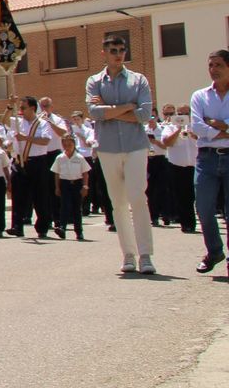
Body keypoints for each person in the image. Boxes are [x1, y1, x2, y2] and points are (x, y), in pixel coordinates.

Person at [86, 33, 157, 274]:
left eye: (121, 50)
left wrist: (111, 110)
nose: (118, 54)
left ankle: (145, 255)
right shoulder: (95, 82)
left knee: (138, 197)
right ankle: (128, 254)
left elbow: (145, 115)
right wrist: (128, 106)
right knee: (118, 203)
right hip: (108, 147)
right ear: (104, 53)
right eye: (113, 50)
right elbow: (94, 113)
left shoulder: (139, 80)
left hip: (135, 145)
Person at [190, 49, 229, 274]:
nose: (213, 70)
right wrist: (225, 129)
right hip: (207, 159)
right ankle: (214, 251)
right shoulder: (200, 96)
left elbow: (206, 128)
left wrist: (216, 124)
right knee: (203, 208)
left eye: (218, 65)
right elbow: (197, 127)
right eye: (211, 65)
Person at [11, 97, 57, 238]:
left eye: (23, 108)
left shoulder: (42, 123)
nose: (21, 111)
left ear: (32, 108)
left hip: (38, 162)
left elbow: (45, 141)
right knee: (18, 195)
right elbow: (3, 121)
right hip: (20, 161)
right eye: (20, 108)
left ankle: (42, 227)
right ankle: (17, 226)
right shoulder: (18, 122)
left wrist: (26, 138)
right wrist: (10, 105)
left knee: (40, 195)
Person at [160, 105, 198, 234]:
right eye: (180, 113)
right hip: (177, 165)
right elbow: (166, 143)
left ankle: (194, 221)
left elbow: (205, 141)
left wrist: (193, 135)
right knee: (181, 196)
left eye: (186, 113)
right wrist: (178, 130)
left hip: (194, 164)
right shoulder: (169, 127)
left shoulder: (196, 126)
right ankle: (187, 224)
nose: (183, 116)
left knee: (193, 195)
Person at [51, 134, 90, 241]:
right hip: (64, 184)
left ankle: (79, 232)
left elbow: (85, 173)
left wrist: (85, 187)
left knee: (77, 209)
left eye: (70, 144)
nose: (67, 146)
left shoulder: (79, 158)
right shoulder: (59, 158)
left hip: (77, 184)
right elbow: (57, 174)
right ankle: (62, 228)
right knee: (64, 206)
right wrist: (57, 187)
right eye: (65, 144)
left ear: (74, 144)